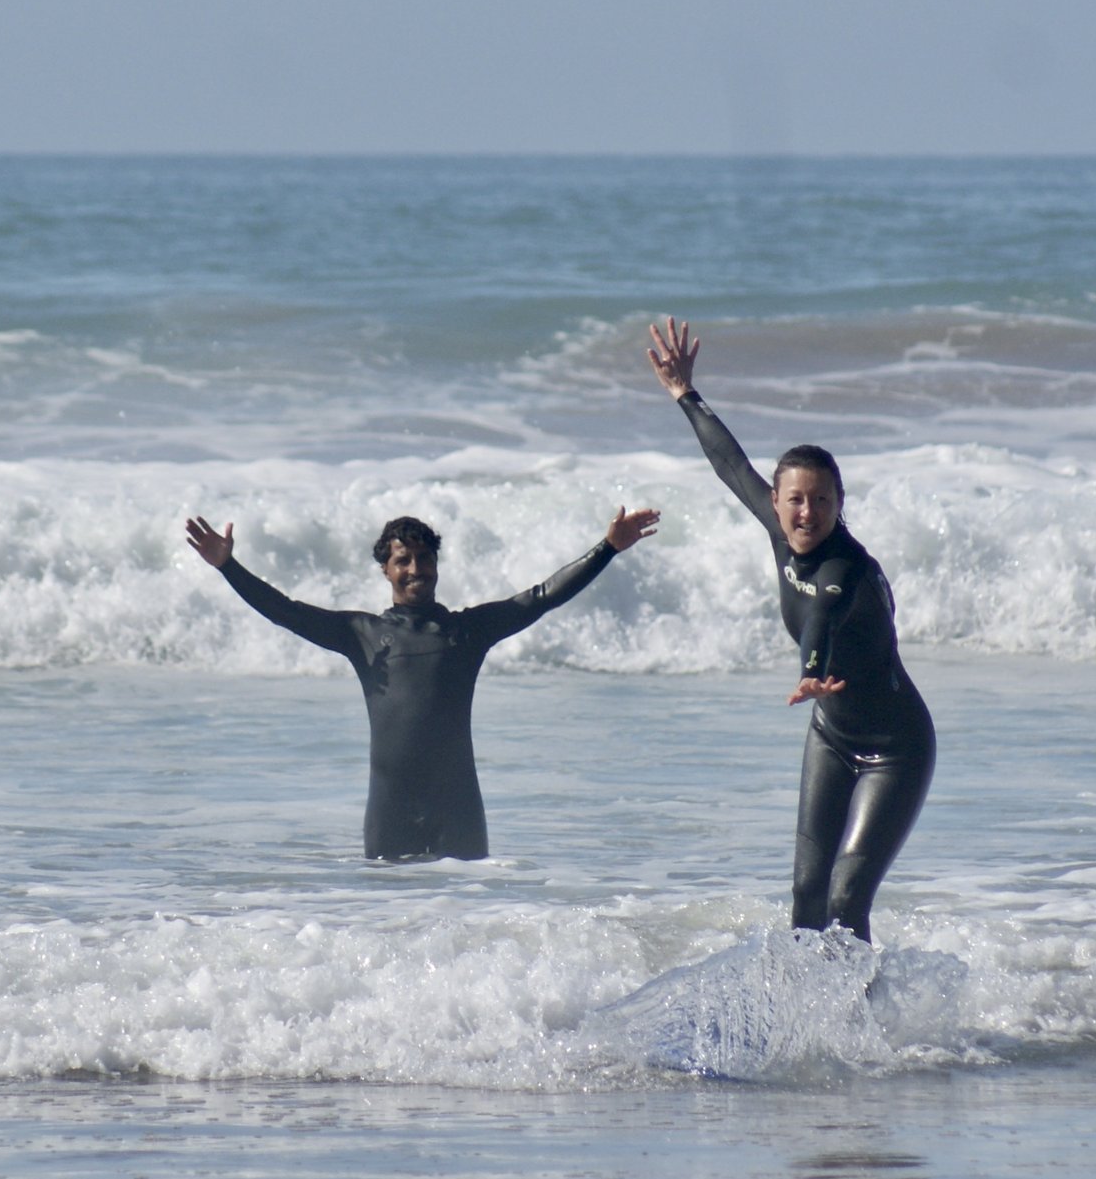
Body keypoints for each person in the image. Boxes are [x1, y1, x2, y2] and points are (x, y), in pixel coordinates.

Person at [646, 317, 934, 941]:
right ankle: (803, 1020)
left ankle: (858, 1024)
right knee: (805, 895)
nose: (808, 512)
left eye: (823, 500)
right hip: (832, 736)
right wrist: (684, 394)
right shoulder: (781, 530)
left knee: (846, 896)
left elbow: (823, 620)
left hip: (896, 750)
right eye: (796, 500)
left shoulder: (847, 568)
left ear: (840, 505)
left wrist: (808, 673)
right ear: (776, 502)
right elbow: (730, 464)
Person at [184, 505, 659, 860]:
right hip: (390, 812)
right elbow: (284, 611)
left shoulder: (466, 632)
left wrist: (607, 549)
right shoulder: (362, 634)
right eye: (404, 560)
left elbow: (540, 598)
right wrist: (229, 567)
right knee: (388, 929)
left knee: (471, 933)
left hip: (457, 811)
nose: (415, 569)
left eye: (424, 559)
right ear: (386, 569)